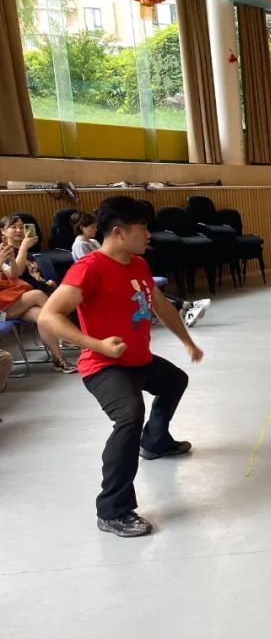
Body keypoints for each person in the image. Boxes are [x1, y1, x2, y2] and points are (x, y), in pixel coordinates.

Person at [39, 196, 204, 538]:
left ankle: (155, 442)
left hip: (137, 359)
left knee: (174, 381)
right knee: (129, 416)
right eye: (143, 228)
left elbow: (162, 307)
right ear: (118, 232)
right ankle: (113, 510)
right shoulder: (89, 268)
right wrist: (97, 344)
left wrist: (187, 341)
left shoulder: (138, 264)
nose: (149, 235)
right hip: (103, 365)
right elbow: (49, 316)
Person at [70, 211, 210, 328]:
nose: (95, 230)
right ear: (82, 227)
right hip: (104, 282)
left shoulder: (93, 242)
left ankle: (186, 307)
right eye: (92, 227)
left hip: (113, 274)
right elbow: (94, 266)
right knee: (143, 291)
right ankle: (187, 307)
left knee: (146, 287)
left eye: (96, 227)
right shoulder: (79, 245)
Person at [0, 214, 76, 373]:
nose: (19, 230)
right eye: (13, 227)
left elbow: (13, 273)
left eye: (21, 227)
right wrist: (16, 251)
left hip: (18, 302)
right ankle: (70, 336)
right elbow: (17, 273)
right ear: (3, 231)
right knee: (37, 295)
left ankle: (58, 360)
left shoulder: (10, 251)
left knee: (43, 317)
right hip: (3, 310)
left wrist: (11, 258)